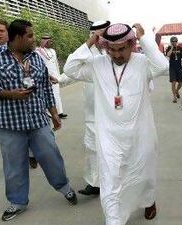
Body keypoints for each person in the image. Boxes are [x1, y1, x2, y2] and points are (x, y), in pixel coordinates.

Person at [63, 23, 168, 225]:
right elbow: (70, 68)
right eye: (112, 50)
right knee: (110, 179)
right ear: (105, 47)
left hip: (140, 134)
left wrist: (144, 38)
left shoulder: (142, 63)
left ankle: (148, 200)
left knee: (143, 175)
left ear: (131, 44)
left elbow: (163, 66)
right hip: (109, 136)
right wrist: (91, 40)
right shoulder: (97, 64)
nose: (117, 55)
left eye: (122, 49)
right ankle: (113, 220)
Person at [0, 19, 77, 221]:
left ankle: (64, 187)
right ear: (17, 38)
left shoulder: (37, 58)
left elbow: (45, 88)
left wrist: (54, 114)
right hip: (9, 125)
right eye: (30, 36)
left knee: (51, 156)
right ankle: (17, 202)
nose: (34, 39)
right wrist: (8, 94)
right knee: (14, 165)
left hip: (38, 121)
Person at [0, 19, 38, 169]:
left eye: (2, 31)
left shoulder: (24, 50)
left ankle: (31, 154)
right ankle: (13, 152)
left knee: (29, 126)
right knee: (4, 128)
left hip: (25, 96)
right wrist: (4, 93)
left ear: (10, 33)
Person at [77, 20, 111, 196]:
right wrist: (58, 79)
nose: (100, 37)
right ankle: (94, 183)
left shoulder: (112, 51)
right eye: (97, 34)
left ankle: (111, 179)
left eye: (103, 33)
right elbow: (74, 71)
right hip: (92, 110)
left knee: (111, 147)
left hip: (110, 110)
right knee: (91, 147)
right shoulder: (86, 51)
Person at [36, 35, 68, 119]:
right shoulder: (38, 51)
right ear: (45, 42)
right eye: (49, 41)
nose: (51, 43)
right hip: (47, 75)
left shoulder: (53, 51)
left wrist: (58, 75)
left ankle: (60, 112)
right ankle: (49, 112)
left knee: (56, 93)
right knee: (49, 94)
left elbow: (56, 63)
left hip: (55, 75)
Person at [165, 36, 182, 103]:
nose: (174, 42)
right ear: (171, 42)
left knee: (180, 83)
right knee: (173, 82)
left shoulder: (180, 48)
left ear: (177, 42)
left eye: (175, 41)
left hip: (179, 67)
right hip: (172, 68)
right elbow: (168, 55)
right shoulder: (169, 48)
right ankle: (174, 97)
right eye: (173, 41)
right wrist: (171, 48)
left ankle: (177, 91)